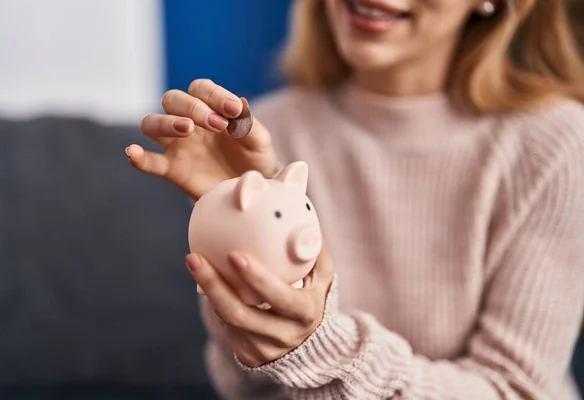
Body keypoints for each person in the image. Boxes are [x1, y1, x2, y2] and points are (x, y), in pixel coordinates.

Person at [125, 0, 584, 398]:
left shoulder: (554, 145)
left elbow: (514, 391)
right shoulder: (259, 137)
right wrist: (236, 236)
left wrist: (326, 350)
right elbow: (245, 388)